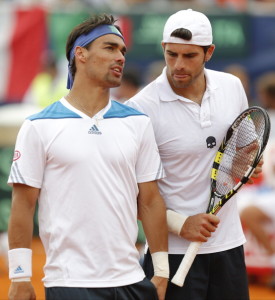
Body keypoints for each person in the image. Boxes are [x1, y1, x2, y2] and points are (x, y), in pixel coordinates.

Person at [7, 13, 169, 300]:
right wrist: (19, 276)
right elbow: (22, 206)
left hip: (132, 280)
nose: (120, 56)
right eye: (109, 48)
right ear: (80, 54)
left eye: (122, 51)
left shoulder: (137, 122)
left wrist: (161, 272)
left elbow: (151, 200)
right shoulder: (38, 126)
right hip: (70, 282)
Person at [127, 9, 263, 300]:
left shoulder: (232, 86)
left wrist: (249, 164)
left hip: (228, 247)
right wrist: (182, 224)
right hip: (171, 253)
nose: (178, 65)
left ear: (209, 52)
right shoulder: (140, 108)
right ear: (163, 48)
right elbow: (131, 193)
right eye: (171, 54)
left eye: (189, 56)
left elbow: (245, 150)